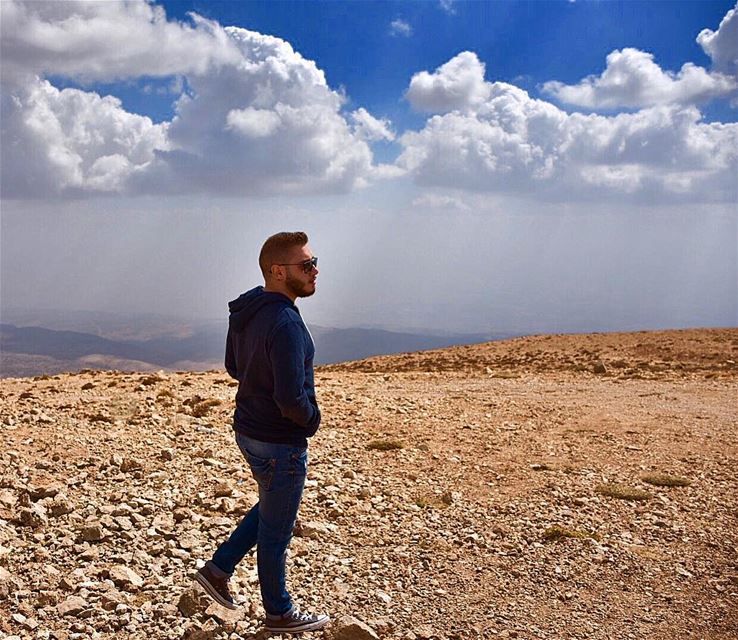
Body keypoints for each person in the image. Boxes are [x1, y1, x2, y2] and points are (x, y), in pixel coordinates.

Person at [195, 231, 329, 633]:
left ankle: (217, 570)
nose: (315, 271)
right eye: (306, 266)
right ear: (277, 270)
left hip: (248, 432)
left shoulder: (249, 308)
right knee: (277, 530)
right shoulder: (285, 321)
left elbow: (234, 367)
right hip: (279, 441)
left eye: (314, 261)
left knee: (273, 506)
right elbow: (291, 398)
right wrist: (311, 420)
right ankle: (279, 613)